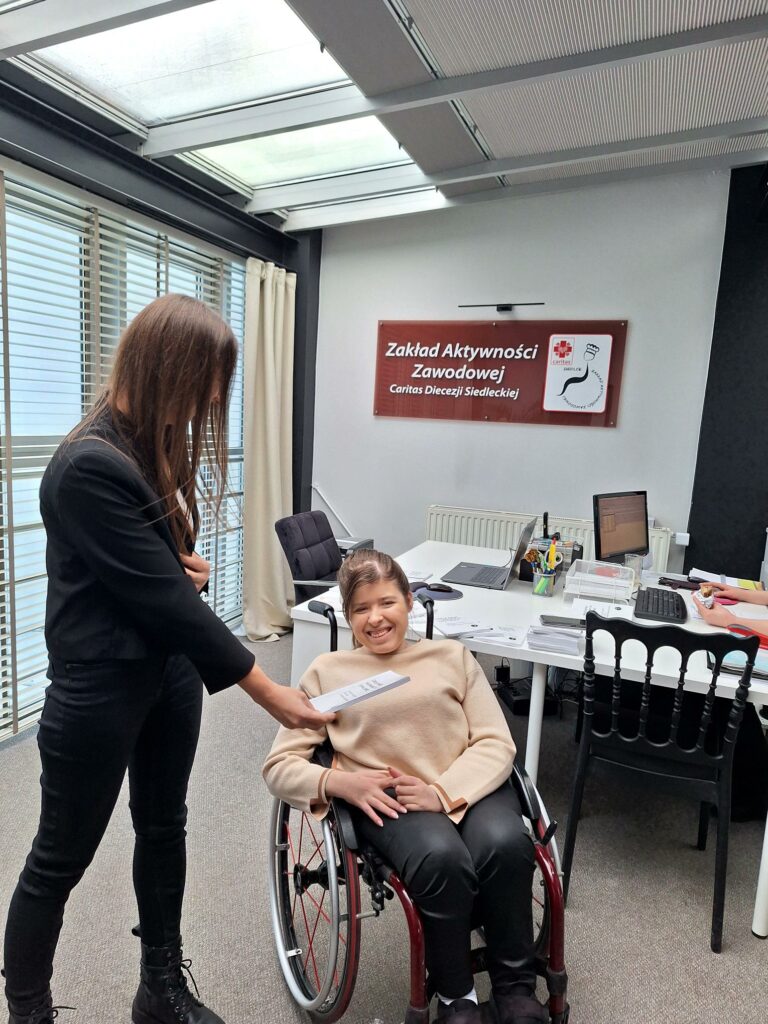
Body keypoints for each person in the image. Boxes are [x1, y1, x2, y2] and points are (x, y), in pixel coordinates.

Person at [2, 294, 333, 1024]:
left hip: (168, 673)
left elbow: (157, 574)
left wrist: (186, 570)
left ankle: (160, 990)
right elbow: (166, 601)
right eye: (206, 382)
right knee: (58, 860)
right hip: (99, 687)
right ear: (164, 367)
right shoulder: (87, 465)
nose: (213, 399)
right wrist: (269, 692)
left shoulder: (155, 439)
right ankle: (28, 1013)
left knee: (163, 828)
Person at [263, 549, 548, 1024]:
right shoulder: (326, 674)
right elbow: (278, 766)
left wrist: (442, 792)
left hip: (467, 781)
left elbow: (496, 741)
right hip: (392, 798)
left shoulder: (451, 657)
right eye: (361, 609)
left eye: (387, 602)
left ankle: (516, 988)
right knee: (442, 860)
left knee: (506, 844)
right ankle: (457, 997)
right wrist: (339, 782)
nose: (375, 618)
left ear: (409, 601)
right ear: (348, 616)